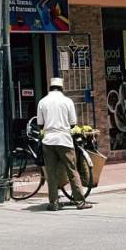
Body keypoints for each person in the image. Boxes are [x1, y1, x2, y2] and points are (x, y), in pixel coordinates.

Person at [36, 76, 90, 211]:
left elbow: (40, 124)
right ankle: (80, 202)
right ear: (62, 88)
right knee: (72, 171)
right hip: (64, 140)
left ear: (50, 88)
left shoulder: (42, 102)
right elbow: (73, 123)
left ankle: (53, 203)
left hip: (48, 141)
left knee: (51, 172)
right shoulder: (67, 101)